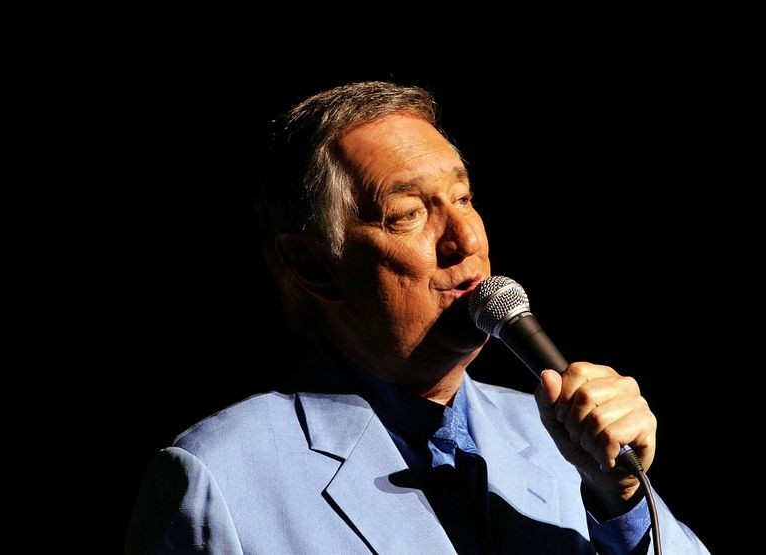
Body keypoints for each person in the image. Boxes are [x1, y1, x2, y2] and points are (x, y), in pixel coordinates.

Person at [125, 81, 710, 554]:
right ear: (313, 266)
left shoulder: (565, 438)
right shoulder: (220, 476)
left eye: (463, 197)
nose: (465, 238)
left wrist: (624, 500)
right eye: (407, 214)